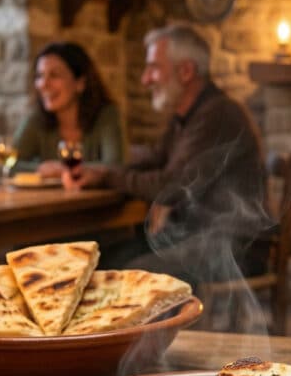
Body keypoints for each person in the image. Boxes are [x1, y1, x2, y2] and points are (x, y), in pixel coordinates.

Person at [59, 24, 271, 287]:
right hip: (193, 236)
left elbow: (170, 186)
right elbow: (154, 158)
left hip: (232, 246)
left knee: (133, 274)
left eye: (154, 68)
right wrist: (95, 168)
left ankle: (158, 329)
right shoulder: (187, 117)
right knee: (100, 260)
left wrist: (106, 176)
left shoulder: (218, 114)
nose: (145, 79)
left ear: (185, 71)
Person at [9, 41, 125, 175]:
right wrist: (41, 169)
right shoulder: (36, 119)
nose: (43, 84)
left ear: (80, 83)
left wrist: (62, 169)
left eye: (54, 75)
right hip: (50, 197)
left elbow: (116, 165)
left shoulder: (107, 115)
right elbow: (8, 166)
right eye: (39, 76)